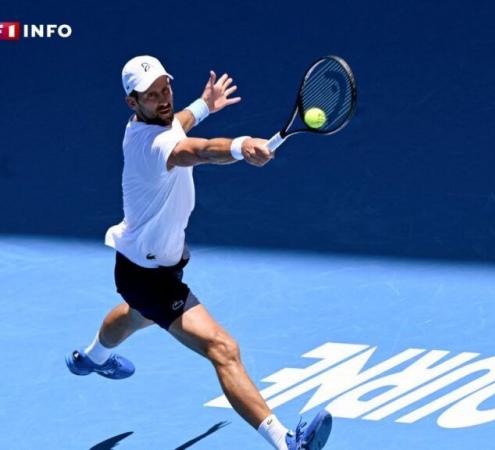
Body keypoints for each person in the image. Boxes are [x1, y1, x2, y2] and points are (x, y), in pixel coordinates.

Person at [65, 55, 332, 450]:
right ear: (132, 103)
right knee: (223, 349)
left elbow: (181, 124)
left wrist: (205, 104)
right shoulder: (155, 146)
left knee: (136, 314)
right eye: (151, 95)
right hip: (149, 277)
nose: (163, 99)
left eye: (165, 88)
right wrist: (241, 146)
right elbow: (200, 150)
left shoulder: (149, 122)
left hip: (139, 266)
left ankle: (91, 358)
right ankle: (286, 442)